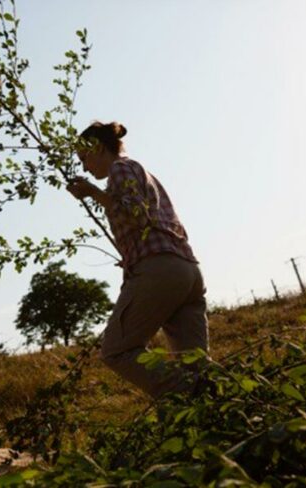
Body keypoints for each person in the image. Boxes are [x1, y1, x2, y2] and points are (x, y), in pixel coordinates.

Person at [66, 121, 209, 399]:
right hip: (186, 270)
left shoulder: (120, 168)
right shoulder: (139, 171)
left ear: (97, 148)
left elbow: (136, 216)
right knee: (195, 365)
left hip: (160, 271)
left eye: (84, 158)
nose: (84, 167)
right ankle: (217, 411)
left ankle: (188, 394)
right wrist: (132, 255)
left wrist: (93, 193)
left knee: (116, 350)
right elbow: (148, 223)